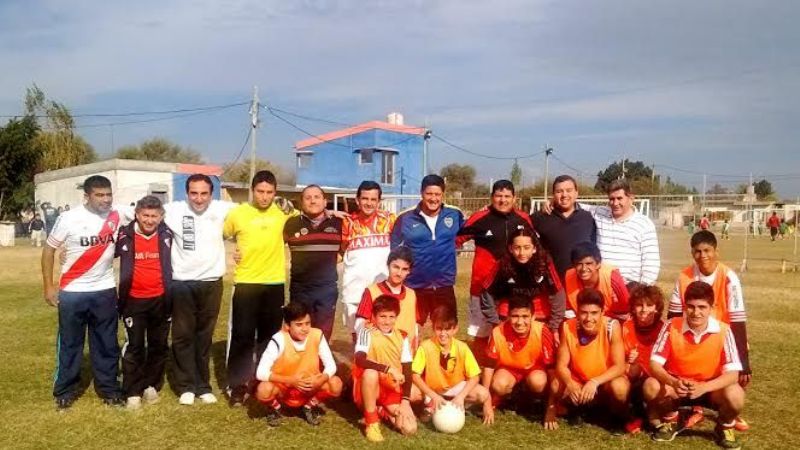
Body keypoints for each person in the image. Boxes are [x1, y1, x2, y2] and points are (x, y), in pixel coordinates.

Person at [41, 175, 126, 410]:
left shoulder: (118, 214)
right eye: (99, 195)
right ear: (86, 196)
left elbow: (151, 214)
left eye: (108, 194)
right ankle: (65, 391)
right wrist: (48, 286)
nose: (106, 199)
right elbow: (49, 250)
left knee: (107, 343)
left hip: (105, 290)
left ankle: (109, 390)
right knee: (70, 343)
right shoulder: (69, 218)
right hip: (72, 292)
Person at [223, 170, 296, 406]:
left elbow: (309, 215)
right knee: (242, 336)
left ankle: (262, 382)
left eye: (269, 192)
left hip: (274, 283)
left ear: (275, 193)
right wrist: (233, 253)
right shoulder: (238, 214)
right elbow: (219, 235)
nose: (264, 196)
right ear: (252, 190)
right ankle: (237, 385)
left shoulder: (284, 213)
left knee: (269, 337)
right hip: (246, 283)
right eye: (260, 191)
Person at [164, 173, 235, 406]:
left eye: (204, 193)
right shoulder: (172, 210)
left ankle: (202, 385)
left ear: (212, 194)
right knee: (183, 335)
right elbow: (137, 212)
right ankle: (185, 386)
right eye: (194, 193)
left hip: (211, 282)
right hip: (182, 283)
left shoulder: (223, 209)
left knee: (204, 336)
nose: (199, 198)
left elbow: (254, 212)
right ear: (186, 193)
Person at [668, 230, 751, 431]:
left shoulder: (729, 277)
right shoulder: (684, 276)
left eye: (707, 250)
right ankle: (693, 408)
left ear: (716, 251)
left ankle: (729, 412)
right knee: (687, 372)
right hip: (690, 337)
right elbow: (673, 315)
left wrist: (743, 362)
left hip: (720, 339)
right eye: (698, 251)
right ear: (692, 253)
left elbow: (737, 320)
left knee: (735, 377)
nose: (703, 255)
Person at [646, 281, 745, 449]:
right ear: (684, 306)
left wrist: (704, 387)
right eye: (691, 307)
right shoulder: (671, 325)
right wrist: (673, 382)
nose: (696, 312)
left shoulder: (724, 330)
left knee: (736, 394)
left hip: (710, 388)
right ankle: (671, 419)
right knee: (651, 385)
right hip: (678, 387)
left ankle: (724, 426)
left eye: (702, 307)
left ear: (712, 307)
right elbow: (654, 364)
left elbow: (733, 374)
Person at [456, 180, 534, 353]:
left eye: (507, 196)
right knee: (481, 333)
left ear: (514, 198)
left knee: (513, 331)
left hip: (514, 289)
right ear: (492, 197)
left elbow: (535, 246)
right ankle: (480, 366)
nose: (503, 200)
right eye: (499, 196)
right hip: (481, 288)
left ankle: (508, 365)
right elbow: (455, 240)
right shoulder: (479, 218)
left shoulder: (523, 218)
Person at [115, 195, 173, 410]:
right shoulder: (124, 235)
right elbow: (102, 251)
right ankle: (132, 390)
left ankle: (150, 384)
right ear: (137, 215)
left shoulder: (167, 234)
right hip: (133, 301)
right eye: (145, 215)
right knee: (135, 346)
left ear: (161, 216)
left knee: (159, 345)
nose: (149, 220)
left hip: (161, 299)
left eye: (154, 216)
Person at [548, 288, 629, 430]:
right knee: (556, 383)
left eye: (594, 313)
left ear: (602, 312)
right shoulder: (567, 326)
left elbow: (619, 366)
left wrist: (595, 382)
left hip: (604, 381)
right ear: (577, 312)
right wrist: (570, 383)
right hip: (580, 380)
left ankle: (615, 415)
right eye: (584, 312)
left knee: (619, 388)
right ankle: (579, 408)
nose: (588, 318)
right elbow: (561, 365)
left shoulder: (611, 326)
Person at [254, 302, 342, 427]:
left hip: (309, 387)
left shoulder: (317, 335)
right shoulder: (279, 339)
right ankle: (276, 408)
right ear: (287, 326)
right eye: (299, 324)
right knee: (263, 389)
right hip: (284, 389)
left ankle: (308, 406)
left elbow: (331, 366)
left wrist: (320, 380)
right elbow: (260, 372)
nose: (305, 329)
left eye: (307, 323)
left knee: (336, 384)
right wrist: (290, 380)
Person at [391, 174, 464, 325]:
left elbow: (471, 231)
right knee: (409, 331)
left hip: (444, 286)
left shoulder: (454, 214)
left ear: (443, 194)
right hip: (414, 286)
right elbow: (393, 250)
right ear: (421, 193)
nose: (433, 198)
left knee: (445, 331)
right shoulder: (405, 218)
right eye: (429, 194)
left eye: (437, 194)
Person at [410, 305, 493, 424]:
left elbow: (475, 376)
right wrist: (433, 395)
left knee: (483, 393)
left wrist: (461, 396)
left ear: (455, 329)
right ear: (433, 328)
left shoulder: (462, 347)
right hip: (432, 388)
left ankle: (456, 402)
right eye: (439, 329)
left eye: (447, 329)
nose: (443, 333)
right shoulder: (425, 346)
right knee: (411, 393)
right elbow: (415, 375)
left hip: (454, 387)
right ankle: (429, 403)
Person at [479, 227, 564, 341]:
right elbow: (487, 292)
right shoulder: (502, 264)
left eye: (526, 248)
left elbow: (558, 293)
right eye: (517, 248)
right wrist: (495, 323)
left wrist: (553, 327)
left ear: (534, 248)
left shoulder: (544, 264)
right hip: (509, 314)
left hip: (539, 315)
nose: (522, 253)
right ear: (510, 248)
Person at [353, 295, 417, 442]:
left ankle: (382, 410)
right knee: (371, 373)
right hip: (369, 387)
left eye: (391, 317)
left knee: (409, 428)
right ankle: (372, 423)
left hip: (390, 388)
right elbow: (360, 360)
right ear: (374, 316)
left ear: (396, 317)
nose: (387, 321)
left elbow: (407, 369)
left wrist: (405, 401)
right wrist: (388, 369)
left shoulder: (402, 336)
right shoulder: (366, 332)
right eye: (382, 316)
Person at [485, 296, 554, 428]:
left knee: (538, 382)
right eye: (515, 316)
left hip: (534, 369)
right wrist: (486, 402)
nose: (520, 322)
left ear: (533, 317)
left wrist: (552, 407)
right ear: (508, 316)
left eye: (525, 316)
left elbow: (552, 371)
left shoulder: (542, 331)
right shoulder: (498, 332)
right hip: (509, 370)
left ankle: (533, 398)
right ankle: (508, 396)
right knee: (499, 384)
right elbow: (488, 367)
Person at [284, 185, 342, 340]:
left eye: (317, 197)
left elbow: (347, 247)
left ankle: (320, 357)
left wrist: (340, 256)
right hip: (300, 289)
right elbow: (271, 244)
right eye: (308, 198)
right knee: (299, 332)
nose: (313, 201)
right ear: (301, 202)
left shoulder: (339, 223)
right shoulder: (291, 224)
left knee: (322, 334)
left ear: (325, 202)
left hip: (327, 289)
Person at [341, 180, 396, 342]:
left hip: (382, 289)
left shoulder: (390, 220)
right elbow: (340, 250)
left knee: (383, 334)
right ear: (357, 200)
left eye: (373, 199)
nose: (369, 203)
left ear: (379, 201)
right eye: (365, 198)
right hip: (354, 290)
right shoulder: (347, 222)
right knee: (358, 336)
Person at [593, 179, 660, 286]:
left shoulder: (645, 224)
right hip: (602, 285)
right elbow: (577, 206)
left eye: (619, 198)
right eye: (611, 199)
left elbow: (651, 263)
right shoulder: (600, 213)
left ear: (631, 198)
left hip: (630, 287)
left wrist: (642, 290)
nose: (615, 203)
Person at [533, 175, 597, 281]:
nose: (564, 195)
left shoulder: (588, 218)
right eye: (559, 191)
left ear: (576, 193)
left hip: (582, 282)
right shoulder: (540, 218)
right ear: (553, 195)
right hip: (552, 284)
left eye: (569, 190)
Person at [621, 284, 666, 434]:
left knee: (653, 385)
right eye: (639, 305)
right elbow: (622, 364)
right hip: (632, 378)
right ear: (633, 308)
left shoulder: (664, 328)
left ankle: (654, 414)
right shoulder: (625, 327)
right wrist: (630, 361)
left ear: (657, 308)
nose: (644, 309)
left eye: (649, 305)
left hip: (656, 380)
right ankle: (631, 413)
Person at [355, 246, 418, 349]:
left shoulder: (411, 295)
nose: (399, 273)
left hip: (405, 353)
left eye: (404, 269)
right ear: (388, 265)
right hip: (378, 353)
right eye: (396, 267)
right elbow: (360, 324)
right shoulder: (372, 291)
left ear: (409, 271)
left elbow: (413, 327)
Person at [563, 242, 629, 320]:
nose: (583, 269)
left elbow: (627, 307)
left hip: (610, 320)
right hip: (582, 321)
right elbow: (567, 310)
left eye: (588, 263)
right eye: (579, 264)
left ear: (598, 264)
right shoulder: (568, 278)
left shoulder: (612, 278)